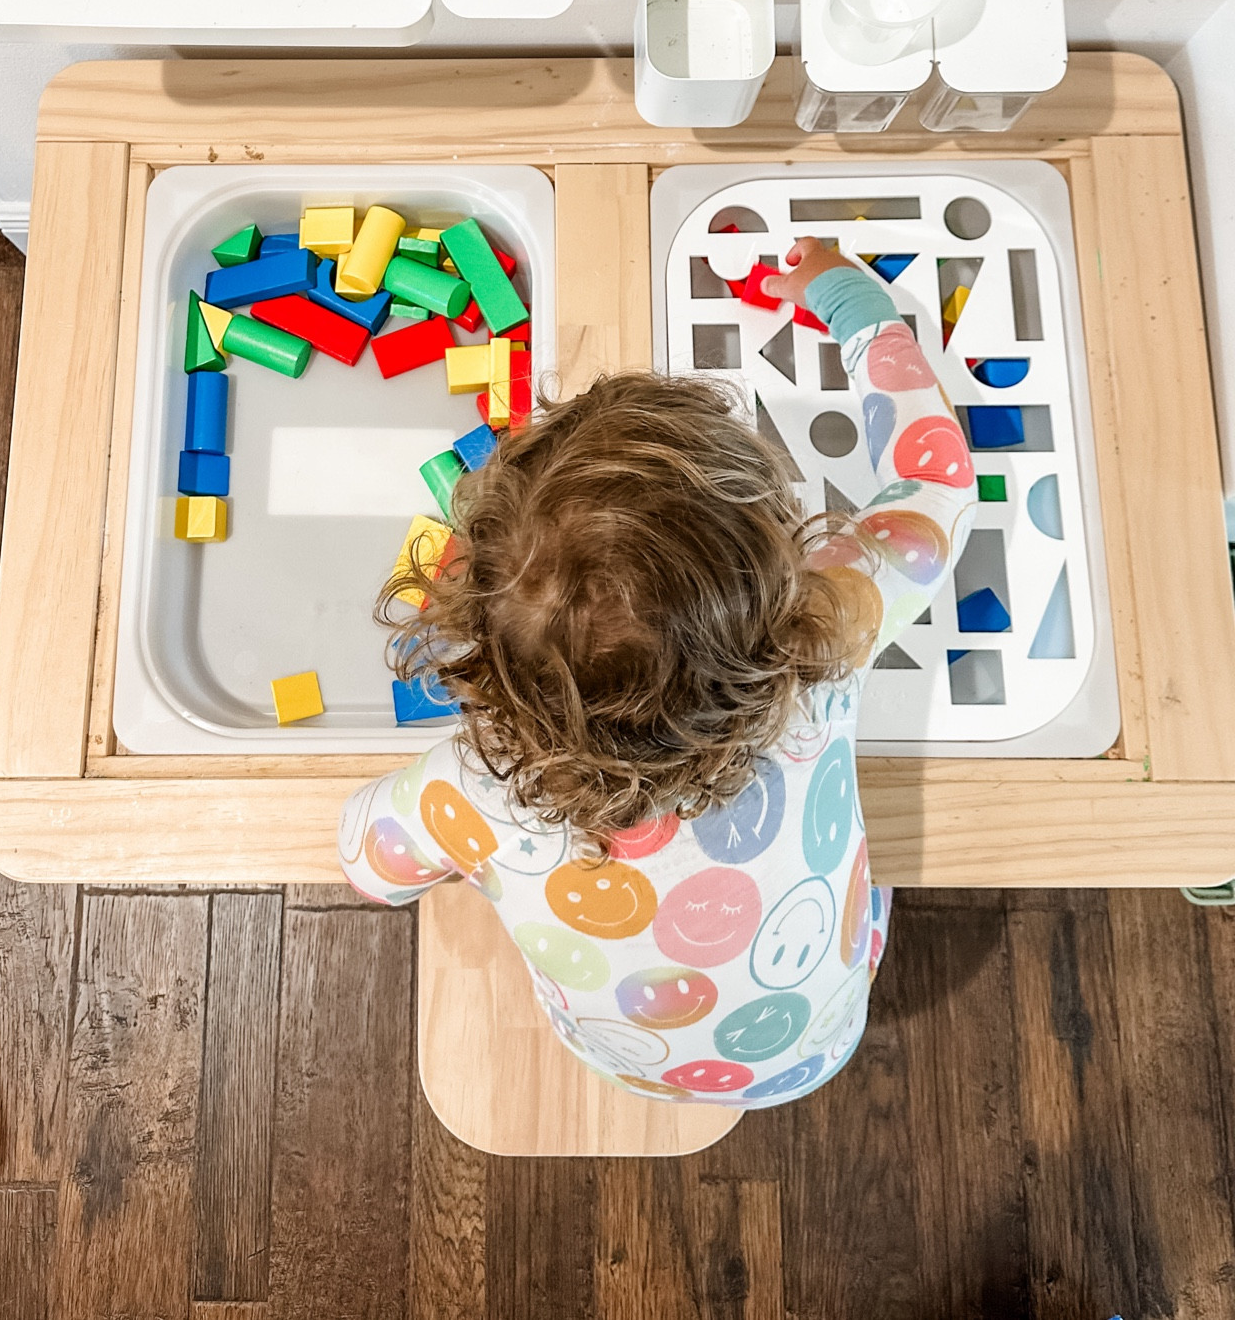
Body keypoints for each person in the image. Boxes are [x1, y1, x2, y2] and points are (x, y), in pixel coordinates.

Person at [339, 239, 976, 1106]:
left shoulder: (471, 789)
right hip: (822, 1041)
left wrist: (420, 812)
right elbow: (938, 475)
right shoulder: (828, 630)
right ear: (772, 571)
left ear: (481, 639)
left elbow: (366, 865)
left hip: (625, 1061)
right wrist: (843, 294)